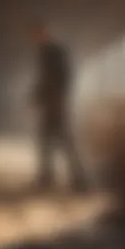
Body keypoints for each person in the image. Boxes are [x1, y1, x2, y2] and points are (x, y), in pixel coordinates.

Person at [30, 22, 86, 191]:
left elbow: (60, 77)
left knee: (61, 140)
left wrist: (57, 98)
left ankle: (76, 179)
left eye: (37, 33)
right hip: (52, 104)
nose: (36, 38)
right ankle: (53, 177)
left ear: (43, 32)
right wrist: (37, 97)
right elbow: (45, 80)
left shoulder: (53, 52)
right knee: (51, 141)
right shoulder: (46, 52)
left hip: (55, 105)